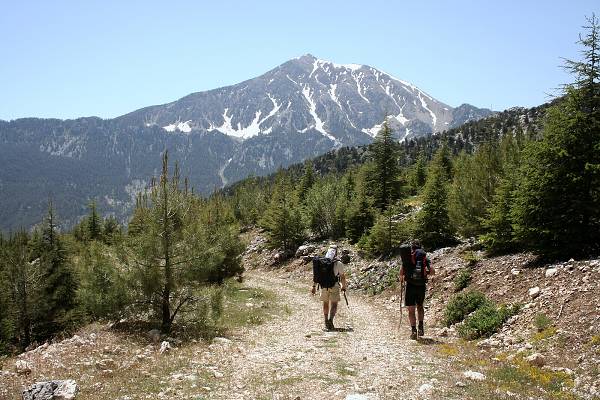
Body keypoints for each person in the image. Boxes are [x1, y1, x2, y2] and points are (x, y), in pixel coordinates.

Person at [399, 240, 435, 339]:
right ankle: (421, 327)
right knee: (420, 306)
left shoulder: (407, 257)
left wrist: (403, 279)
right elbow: (432, 272)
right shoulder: (424, 258)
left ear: (412, 248)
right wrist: (425, 273)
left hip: (410, 285)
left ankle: (413, 331)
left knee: (411, 310)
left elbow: (401, 274)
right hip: (421, 285)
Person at [311, 245, 348, 331]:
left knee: (325, 303)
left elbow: (317, 276)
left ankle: (325, 320)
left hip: (323, 286)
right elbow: (342, 277)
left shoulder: (321, 262)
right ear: (336, 252)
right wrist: (343, 286)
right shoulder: (338, 263)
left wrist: (313, 286)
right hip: (334, 285)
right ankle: (331, 319)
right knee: (334, 304)